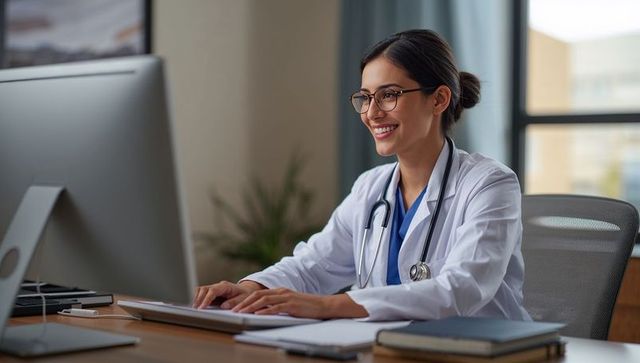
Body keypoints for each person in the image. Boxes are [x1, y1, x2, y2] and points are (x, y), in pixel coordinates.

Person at [193, 29, 530, 321]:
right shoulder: (371, 187)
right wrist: (247, 289)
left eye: (389, 95)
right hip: (391, 349)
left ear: (439, 99)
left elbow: (462, 289)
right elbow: (313, 265)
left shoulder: (489, 184)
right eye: (365, 97)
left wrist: (328, 305)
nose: (371, 113)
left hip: (484, 353)